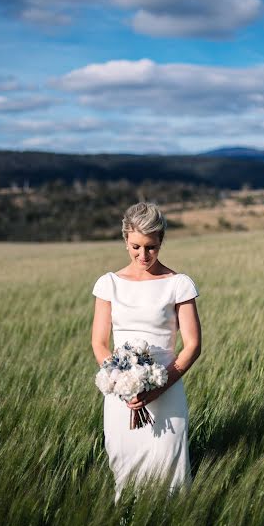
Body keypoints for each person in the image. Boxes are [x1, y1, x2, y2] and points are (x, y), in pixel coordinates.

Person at [91, 201, 202, 504]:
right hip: (120, 397)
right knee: (125, 468)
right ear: (125, 239)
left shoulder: (178, 284)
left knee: (170, 469)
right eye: (136, 246)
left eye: (151, 247)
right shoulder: (109, 284)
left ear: (161, 241)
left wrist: (157, 388)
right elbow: (99, 343)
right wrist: (120, 380)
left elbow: (192, 345)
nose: (143, 255)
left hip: (166, 392)